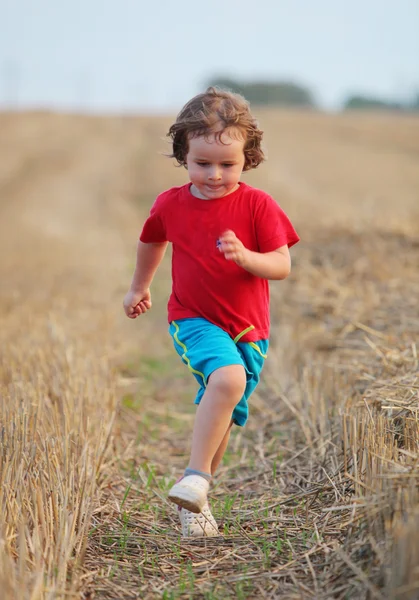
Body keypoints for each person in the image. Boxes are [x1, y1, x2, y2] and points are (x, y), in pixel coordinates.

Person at [123, 87, 299, 537]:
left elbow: (281, 265)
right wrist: (139, 287)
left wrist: (246, 258)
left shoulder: (258, 206)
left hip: (250, 330)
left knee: (224, 409)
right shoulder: (171, 204)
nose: (215, 175)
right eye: (203, 163)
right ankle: (196, 476)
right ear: (184, 154)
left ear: (248, 158)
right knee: (228, 380)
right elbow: (151, 240)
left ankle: (195, 498)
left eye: (228, 164)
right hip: (194, 318)